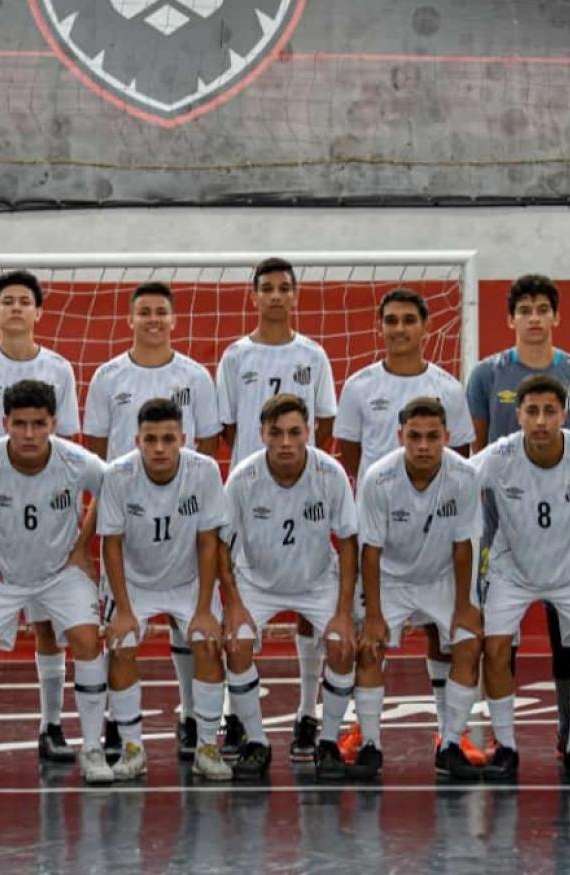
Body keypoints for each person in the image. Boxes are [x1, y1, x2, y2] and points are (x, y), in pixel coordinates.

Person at [335, 286, 477, 762]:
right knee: (367, 640)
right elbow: (352, 457)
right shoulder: (358, 386)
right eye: (390, 320)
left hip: (434, 538)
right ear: (380, 327)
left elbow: (459, 462)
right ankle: (365, 734)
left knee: (449, 636)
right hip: (383, 528)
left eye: (408, 320)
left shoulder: (449, 390)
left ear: (425, 327)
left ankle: (451, 736)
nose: (399, 328)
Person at [461, 375, 570, 782]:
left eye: (549, 411)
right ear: (517, 415)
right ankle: (506, 746)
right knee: (495, 650)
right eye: (531, 411)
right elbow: (457, 485)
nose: (540, 420)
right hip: (510, 567)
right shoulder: (498, 456)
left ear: (563, 414)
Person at [0, 379, 110, 785]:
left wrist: (83, 545)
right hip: (1, 572)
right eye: (20, 424)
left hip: (60, 572)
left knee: (88, 640)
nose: (30, 434)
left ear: (54, 422)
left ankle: (91, 748)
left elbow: (113, 491)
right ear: (4, 422)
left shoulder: (78, 461)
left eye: (39, 423)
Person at [465, 274, 570, 758]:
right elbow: (476, 449)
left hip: (562, 528)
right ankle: (506, 740)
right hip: (501, 526)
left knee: (569, 636)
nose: (535, 318)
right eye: (525, 310)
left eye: (544, 308)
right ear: (510, 319)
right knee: (502, 635)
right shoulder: (487, 375)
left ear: (556, 316)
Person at [83, 281, 221, 759]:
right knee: (118, 633)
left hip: (182, 513)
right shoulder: (108, 376)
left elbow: (211, 441)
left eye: (161, 311)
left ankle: (193, 721)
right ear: (131, 319)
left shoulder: (196, 376)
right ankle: (121, 728)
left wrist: (187, 496)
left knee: (195, 629)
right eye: (144, 312)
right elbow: (97, 451)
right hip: (129, 509)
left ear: (174, 319)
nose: (153, 319)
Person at [0, 270, 82, 763]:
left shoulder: (59, 368)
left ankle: (51, 725)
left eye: (25, 301)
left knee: (49, 624)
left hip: (47, 514)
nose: (17, 308)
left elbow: (69, 443)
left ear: (38, 311)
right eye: (7, 301)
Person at [215, 257, 339, 762]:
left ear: (295, 295)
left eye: (283, 288)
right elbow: (227, 429)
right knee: (239, 607)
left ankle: (308, 714)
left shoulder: (314, 355)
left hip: (303, 491)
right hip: (249, 497)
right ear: (254, 296)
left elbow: (324, 426)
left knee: (312, 602)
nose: (275, 296)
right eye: (265, 288)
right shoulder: (234, 357)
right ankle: (235, 718)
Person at [217, 394, 360, 781]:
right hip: (256, 582)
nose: (285, 442)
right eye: (276, 433)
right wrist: (232, 604)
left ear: (309, 432)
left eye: (295, 432)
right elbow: (219, 544)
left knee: (343, 644)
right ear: (261, 434)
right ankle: (256, 741)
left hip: (316, 582)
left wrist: (345, 612)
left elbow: (348, 541)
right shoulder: (243, 478)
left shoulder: (330, 474)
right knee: (236, 643)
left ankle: (327, 740)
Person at [97, 398, 232, 781]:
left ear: (183, 439)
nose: (159, 448)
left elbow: (209, 542)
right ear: (136, 440)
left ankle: (207, 745)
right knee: (121, 647)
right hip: (134, 582)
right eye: (151, 439)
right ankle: (132, 748)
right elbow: (111, 544)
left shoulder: (204, 471)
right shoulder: (117, 475)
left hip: (187, 579)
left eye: (168, 439)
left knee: (207, 643)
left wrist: (204, 608)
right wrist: (122, 609)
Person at [355, 397, 480, 780]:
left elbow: (464, 546)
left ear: (447, 436)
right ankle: (370, 745)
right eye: (414, 437)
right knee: (369, 648)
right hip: (391, 576)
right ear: (400, 437)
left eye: (432, 437)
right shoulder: (377, 478)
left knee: (468, 642)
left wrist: (464, 606)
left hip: (441, 575)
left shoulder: (465, 477)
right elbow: (370, 552)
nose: (423, 445)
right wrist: (374, 616)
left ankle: (452, 743)